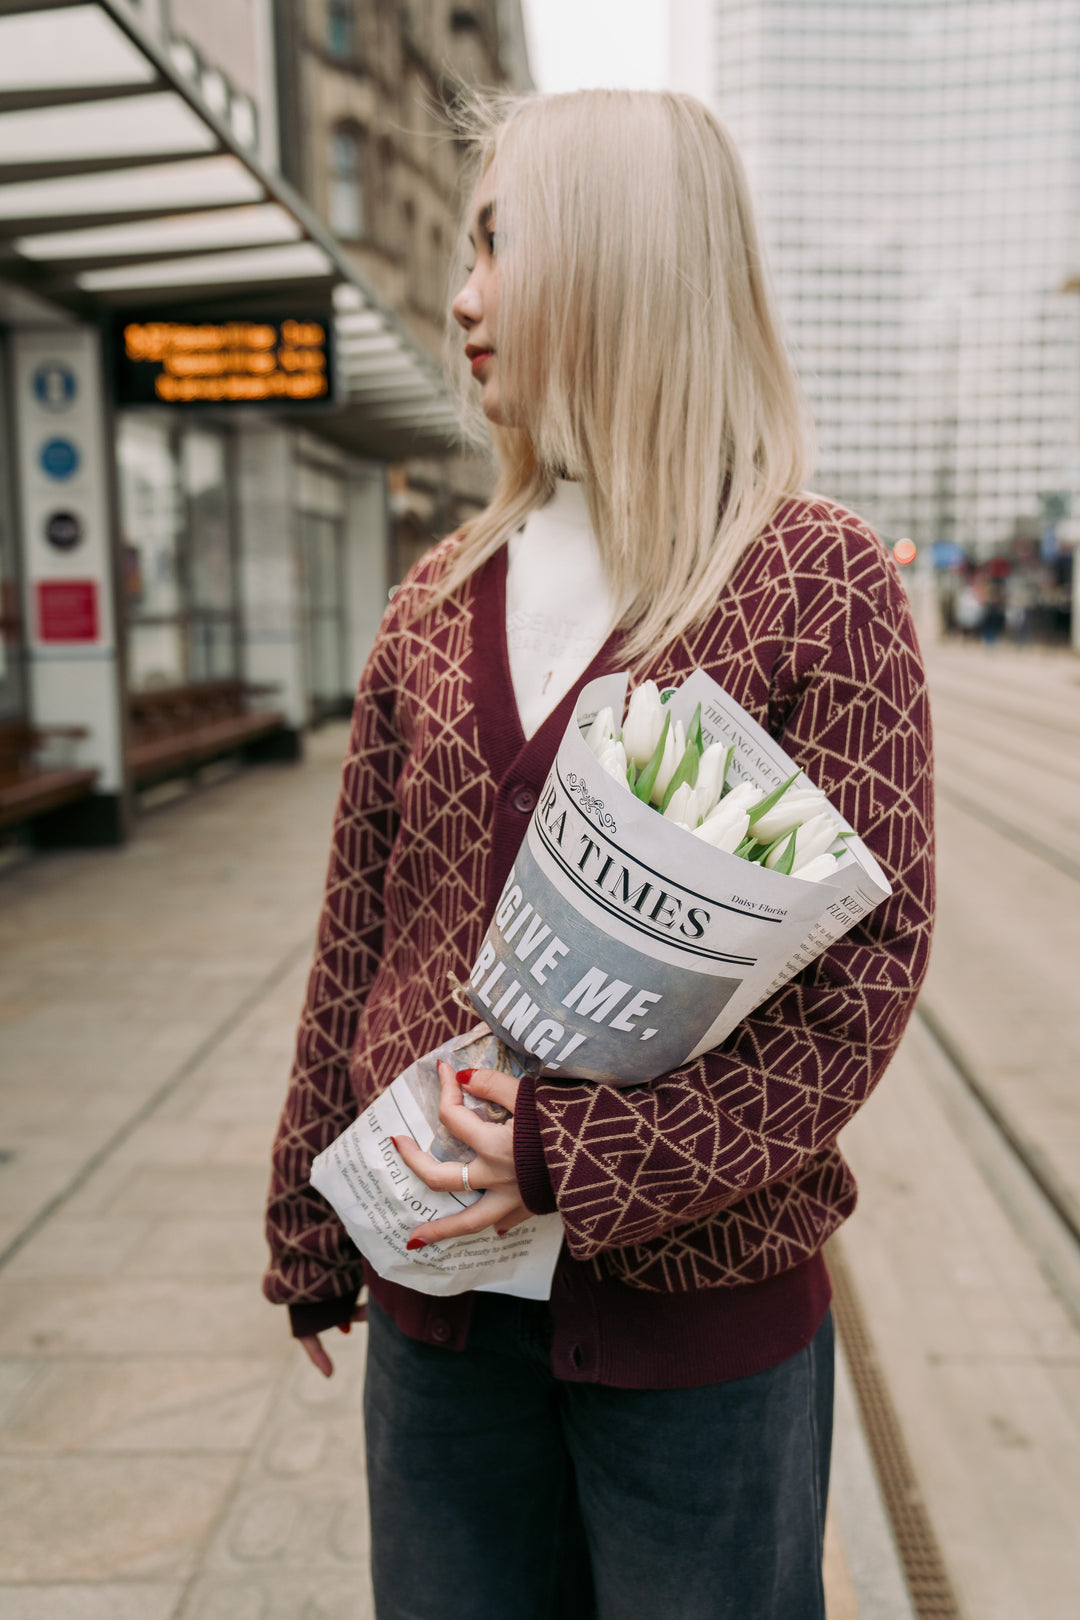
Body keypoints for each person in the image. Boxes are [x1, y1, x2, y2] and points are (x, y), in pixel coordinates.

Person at [264, 88, 935, 1620]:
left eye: (504, 244)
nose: (462, 296)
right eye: (468, 244)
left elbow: (863, 992)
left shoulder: (812, 581)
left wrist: (569, 1160)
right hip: (436, 1312)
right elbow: (358, 928)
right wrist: (309, 1223)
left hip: (697, 1339)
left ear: (625, 262)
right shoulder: (436, 596)